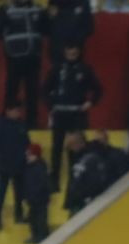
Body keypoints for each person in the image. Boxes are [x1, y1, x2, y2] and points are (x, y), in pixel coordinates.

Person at [44, 44, 101, 189]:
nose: (72, 56)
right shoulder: (57, 69)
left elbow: (98, 89)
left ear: (79, 53)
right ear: (65, 52)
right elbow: (44, 89)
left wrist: (90, 102)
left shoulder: (84, 69)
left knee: (76, 148)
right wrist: (51, 105)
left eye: (75, 53)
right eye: (69, 53)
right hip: (60, 114)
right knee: (56, 147)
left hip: (77, 114)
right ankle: (54, 180)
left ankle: (76, 180)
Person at [0, 103, 29, 230]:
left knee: (19, 192)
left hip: (19, 163)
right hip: (4, 165)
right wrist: (2, 157)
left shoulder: (21, 124)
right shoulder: (0, 125)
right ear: (8, 111)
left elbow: (26, 141)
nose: (18, 113)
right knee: (1, 192)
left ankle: (19, 215)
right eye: (16, 110)